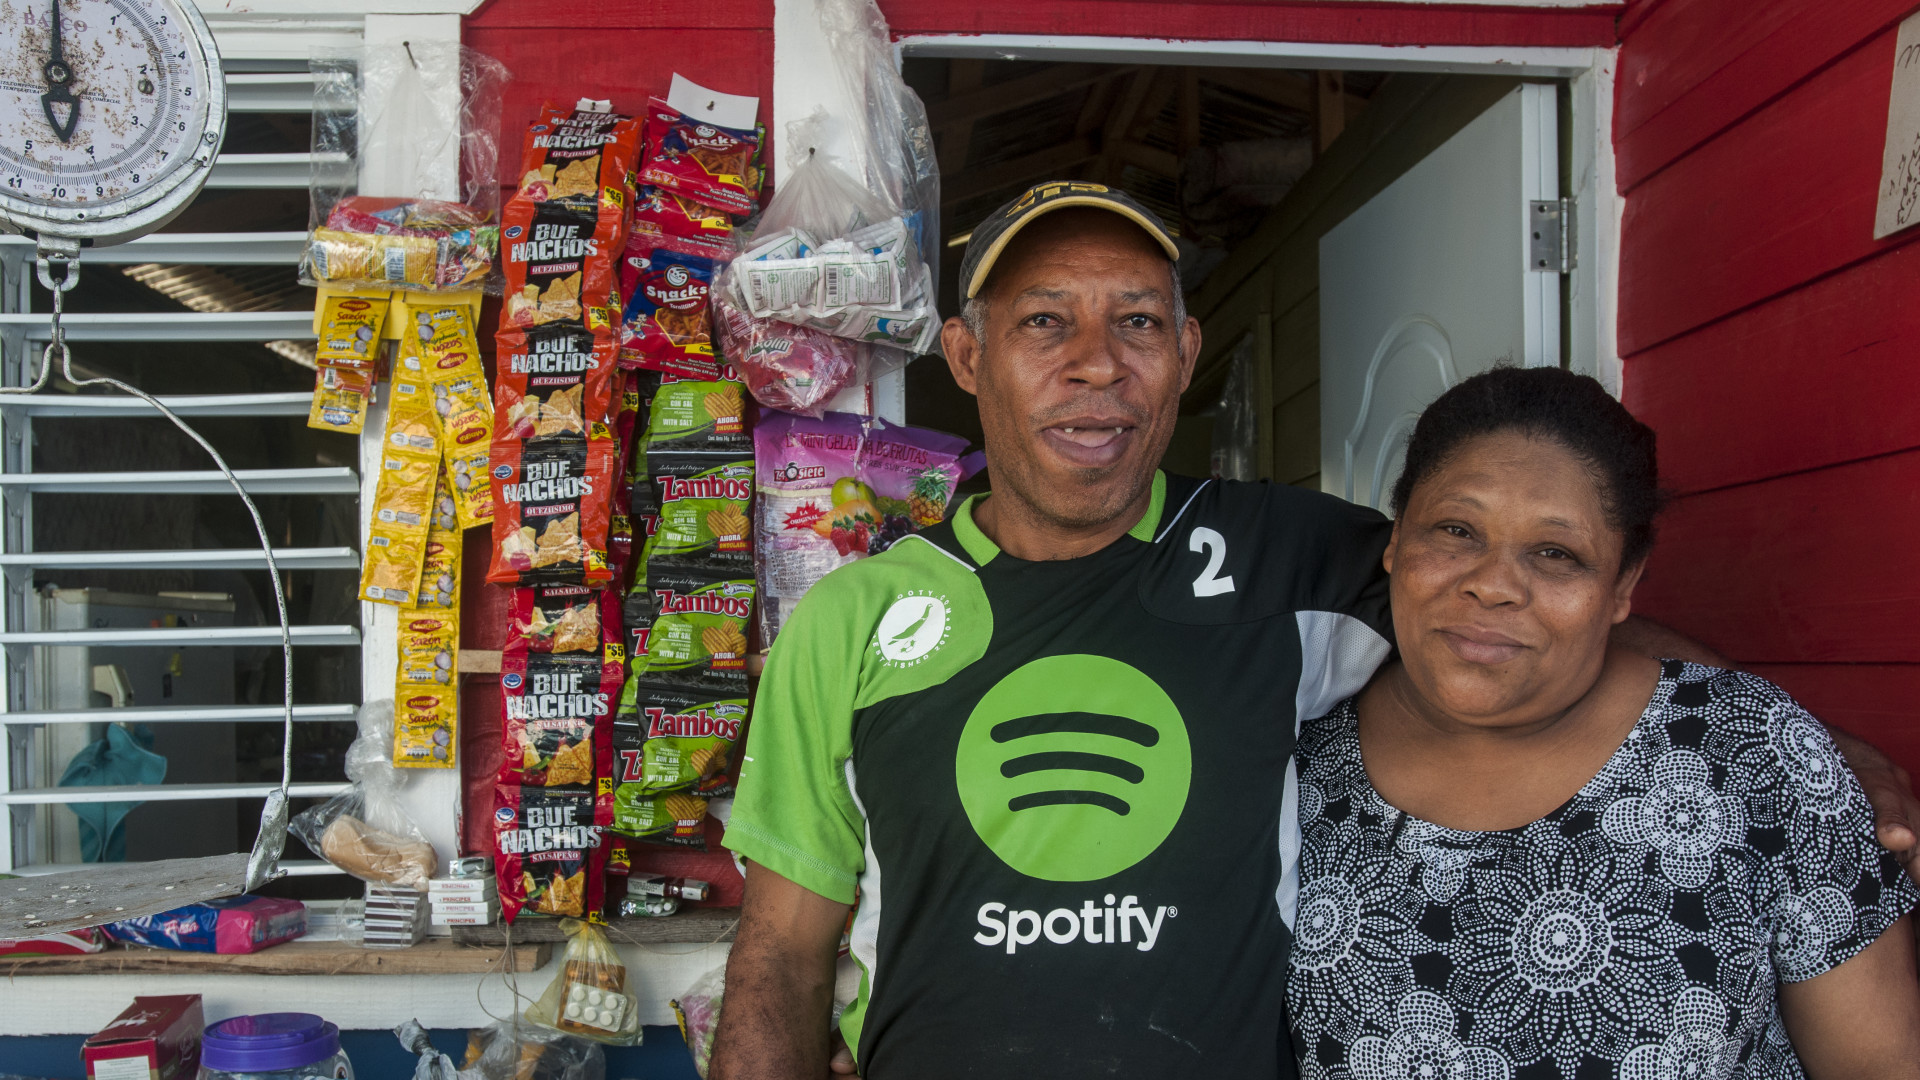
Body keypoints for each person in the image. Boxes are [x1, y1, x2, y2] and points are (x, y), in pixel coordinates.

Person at [710, 181, 1920, 1080]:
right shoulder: (854, 618)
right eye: (1043, 323)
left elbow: (1525, 614)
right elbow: (779, 957)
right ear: (967, 357)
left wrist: (1805, 754)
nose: (1097, 366)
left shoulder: (1293, 556)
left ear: (1186, 354)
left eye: (1138, 323)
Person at [1287, 366, 1920, 1078]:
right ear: (1396, 540)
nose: (1492, 584)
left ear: (1624, 583)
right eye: (1456, 530)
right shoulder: (1297, 761)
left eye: (1555, 553)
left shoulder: (1749, 752)